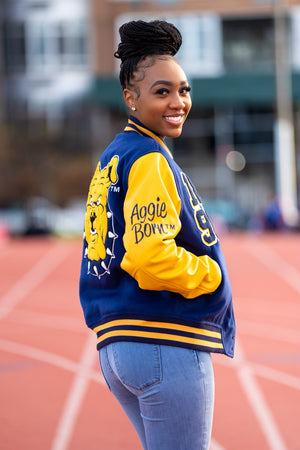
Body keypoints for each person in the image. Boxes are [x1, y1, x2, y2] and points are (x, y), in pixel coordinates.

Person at [79, 19, 235, 450]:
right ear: (131, 98)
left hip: (120, 344)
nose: (178, 101)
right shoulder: (148, 158)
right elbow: (150, 257)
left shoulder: (115, 155)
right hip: (162, 341)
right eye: (161, 91)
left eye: (183, 90)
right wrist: (210, 275)